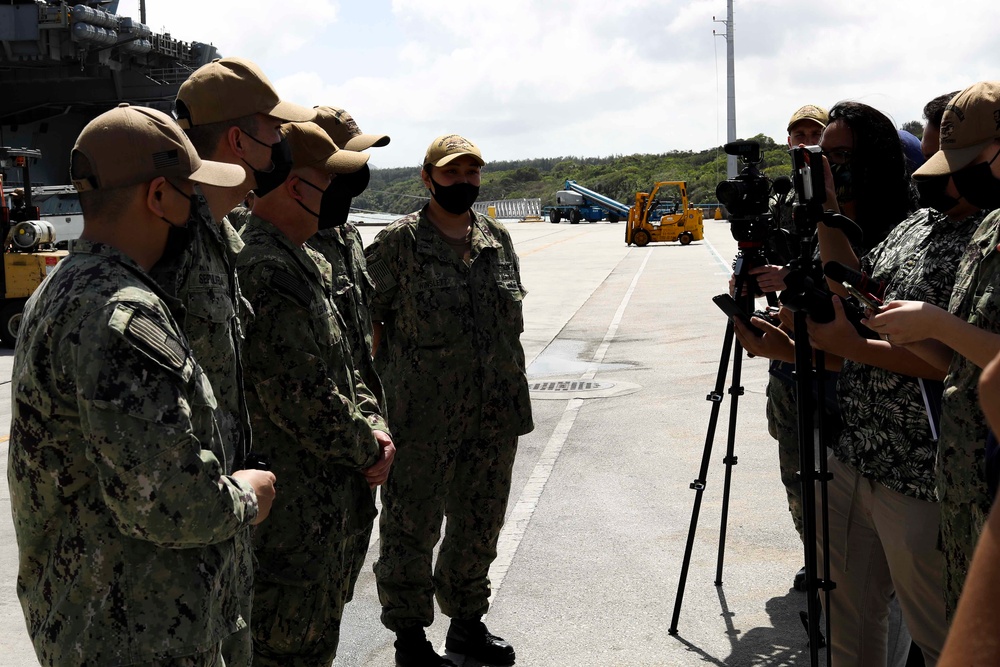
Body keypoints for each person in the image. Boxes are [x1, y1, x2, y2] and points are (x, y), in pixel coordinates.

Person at [7, 104, 276, 666]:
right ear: (159, 197)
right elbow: (164, 501)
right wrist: (248, 495)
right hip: (138, 632)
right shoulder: (123, 315)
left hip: (92, 619)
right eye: (190, 195)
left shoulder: (60, 290)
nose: (199, 214)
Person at [166, 56, 316, 665]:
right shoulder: (169, 247)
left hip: (225, 530)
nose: (282, 144)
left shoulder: (223, 239)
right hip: (181, 545)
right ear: (237, 139)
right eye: (273, 130)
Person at [367, 135, 533, 667]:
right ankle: (410, 640)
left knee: (480, 523)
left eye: (472, 172)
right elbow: (366, 324)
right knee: (410, 528)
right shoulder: (398, 243)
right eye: (451, 172)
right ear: (427, 177)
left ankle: (467, 624)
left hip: (493, 416)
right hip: (422, 420)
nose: (463, 182)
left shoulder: (497, 239)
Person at [237, 120, 394, 667]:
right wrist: (369, 449)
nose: (335, 195)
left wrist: (376, 427)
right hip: (292, 524)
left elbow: (352, 367)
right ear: (294, 185)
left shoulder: (308, 261)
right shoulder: (264, 270)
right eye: (326, 181)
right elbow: (303, 396)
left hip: (328, 519)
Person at [864, 81, 1000, 616]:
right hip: (966, 483)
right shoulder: (989, 227)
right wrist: (917, 335)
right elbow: (965, 369)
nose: (962, 176)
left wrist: (938, 322)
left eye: (974, 161)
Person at [306, 104, 391, 619]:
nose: (360, 172)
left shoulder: (345, 235)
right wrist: (366, 442)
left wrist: (375, 427)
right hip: (314, 465)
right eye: (351, 158)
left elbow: (359, 351)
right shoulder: (276, 245)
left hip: (355, 457)